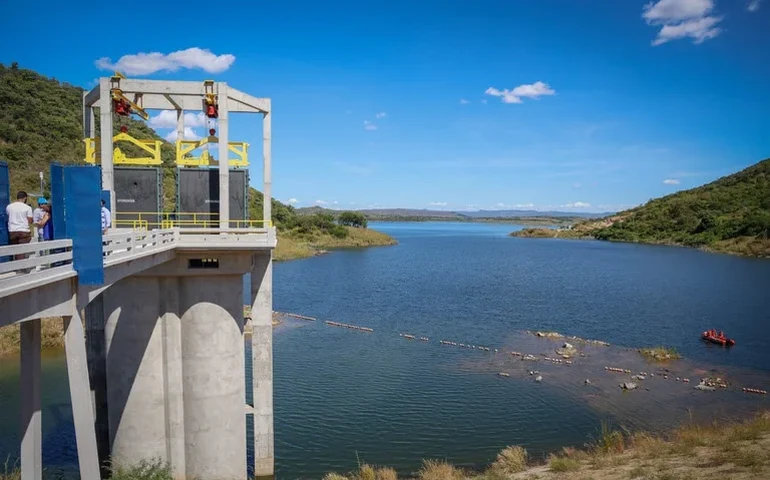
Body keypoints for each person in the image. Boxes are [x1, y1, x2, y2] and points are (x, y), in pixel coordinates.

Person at [7, 191, 34, 260]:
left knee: (15, 249)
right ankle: (21, 267)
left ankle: (16, 265)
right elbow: (30, 221)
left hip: (12, 231)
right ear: (25, 198)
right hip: (23, 231)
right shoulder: (27, 207)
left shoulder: (9, 207)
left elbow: (8, 216)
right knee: (22, 250)